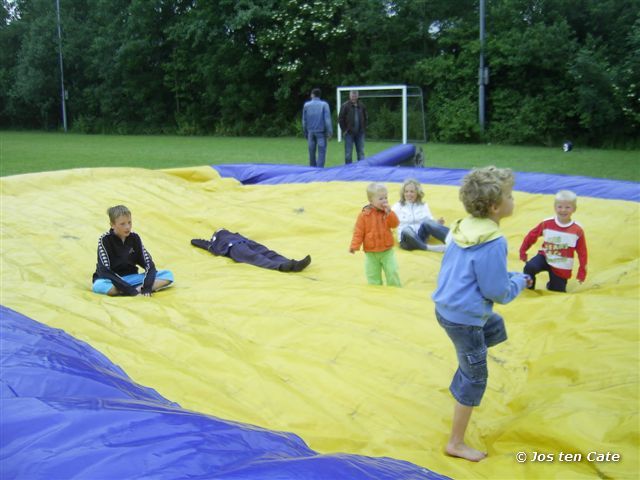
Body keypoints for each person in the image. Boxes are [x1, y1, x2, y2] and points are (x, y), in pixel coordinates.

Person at [431, 166, 531, 462]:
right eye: (510, 196)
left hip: (446, 308)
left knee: (494, 326)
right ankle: (456, 443)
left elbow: (468, 273)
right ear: (495, 206)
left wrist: (508, 277)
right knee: (476, 376)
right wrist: (519, 281)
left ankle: (467, 363)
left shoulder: (462, 227)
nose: (514, 200)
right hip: (464, 318)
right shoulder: (493, 241)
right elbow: (496, 292)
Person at [92, 205, 174, 296]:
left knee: (167, 275)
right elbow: (105, 271)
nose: (127, 227)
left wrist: (146, 287)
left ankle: (136, 289)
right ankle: (130, 290)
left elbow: (149, 265)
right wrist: (130, 290)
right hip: (112, 280)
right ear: (112, 225)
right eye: (122, 224)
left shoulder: (135, 238)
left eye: (129, 222)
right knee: (98, 286)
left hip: (131, 278)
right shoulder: (104, 240)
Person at [519, 190, 588, 292]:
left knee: (556, 291)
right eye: (560, 207)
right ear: (555, 207)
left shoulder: (577, 230)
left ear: (574, 209)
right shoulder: (546, 223)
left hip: (562, 264)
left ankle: (552, 284)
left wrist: (582, 272)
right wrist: (523, 251)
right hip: (545, 257)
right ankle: (529, 289)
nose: (563, 210)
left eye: (567, 207)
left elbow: (582, 252)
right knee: (530, 267)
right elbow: (531, 236)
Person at [349, 183, 401, 287]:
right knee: (373, 275)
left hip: (387, 251)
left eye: (386, 198)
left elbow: (395, 224)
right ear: (371, 200)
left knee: (392, 271)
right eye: (381, 198)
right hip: (371, 253)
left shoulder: (387, 212)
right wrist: (354, 246)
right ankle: (376, 294)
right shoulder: (364, 215)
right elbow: (358, 232)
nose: (384, 201)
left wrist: (389, 213)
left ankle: (395, 290)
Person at [191, 229, 311, 272]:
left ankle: (293, 263)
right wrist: (196, 241)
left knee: (268, 253)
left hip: (245, 242)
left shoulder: (231, 236)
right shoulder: (214, 243)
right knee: (256, 257)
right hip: (234, 247)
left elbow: (202, 242)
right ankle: (281, 266)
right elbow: (201, 243)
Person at [392, 178, 449, 253]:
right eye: (406, 191)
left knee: (428, 222)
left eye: (412, 192)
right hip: (406, 241)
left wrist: (437, 224)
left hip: (421, 236)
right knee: (406, 230)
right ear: (403, 193)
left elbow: (430, 223)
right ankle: (428, 248)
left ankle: (453, 241)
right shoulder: (398, 206)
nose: (409, 194)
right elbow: (387, 219)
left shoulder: (423, 205)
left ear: (417, 193)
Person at [302, 88, 333, 168]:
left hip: (310, 132)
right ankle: (320, 169)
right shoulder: (324, 105)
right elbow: (327, 120)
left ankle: (312, 168)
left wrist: (305, 131)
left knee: (311, 151)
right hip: (321, 132)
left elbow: (304, 120)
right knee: (322, 151)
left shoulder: (306, 105)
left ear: (312, 95)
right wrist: (329, 132)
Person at [338, 90, 368, 164]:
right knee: (348, 154)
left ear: (357, 96)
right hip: (349, 133)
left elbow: (366, 117)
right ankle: (348, 170)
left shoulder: (362, 106)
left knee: (361, 153)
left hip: (360, 133)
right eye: (352, 96)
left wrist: (364, 128)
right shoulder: (345, 106)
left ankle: (361, 169)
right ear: (349, 96)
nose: (353, 97)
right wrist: (344, 130)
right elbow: (340, 119)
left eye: (355, 96)